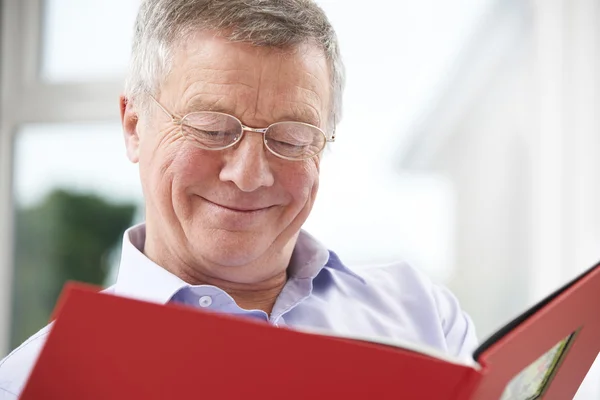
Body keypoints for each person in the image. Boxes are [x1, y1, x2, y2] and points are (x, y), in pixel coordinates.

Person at [0, 0, 477, 397]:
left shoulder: (424, 319)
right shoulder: (30, 385)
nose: (248, 176)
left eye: (291, 138)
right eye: (211, 129)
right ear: (134, 126)